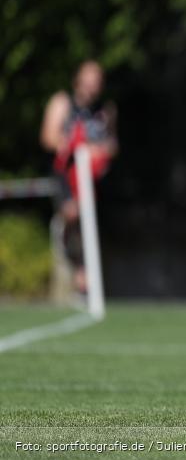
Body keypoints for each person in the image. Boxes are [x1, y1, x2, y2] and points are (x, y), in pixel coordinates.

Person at [40, 60, 118, 294]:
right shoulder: (62, 103)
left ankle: (87, 275)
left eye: (97, 79)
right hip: (67, 174)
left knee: (92, 222)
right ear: (77, 79)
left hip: (93, 178)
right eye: (88, 77)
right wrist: (77, 147)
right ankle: (78, 270)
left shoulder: (106, 110)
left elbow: (112, 145)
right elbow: (48, 138)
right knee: (72, 214)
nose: (92, 84)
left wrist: (100, 151)